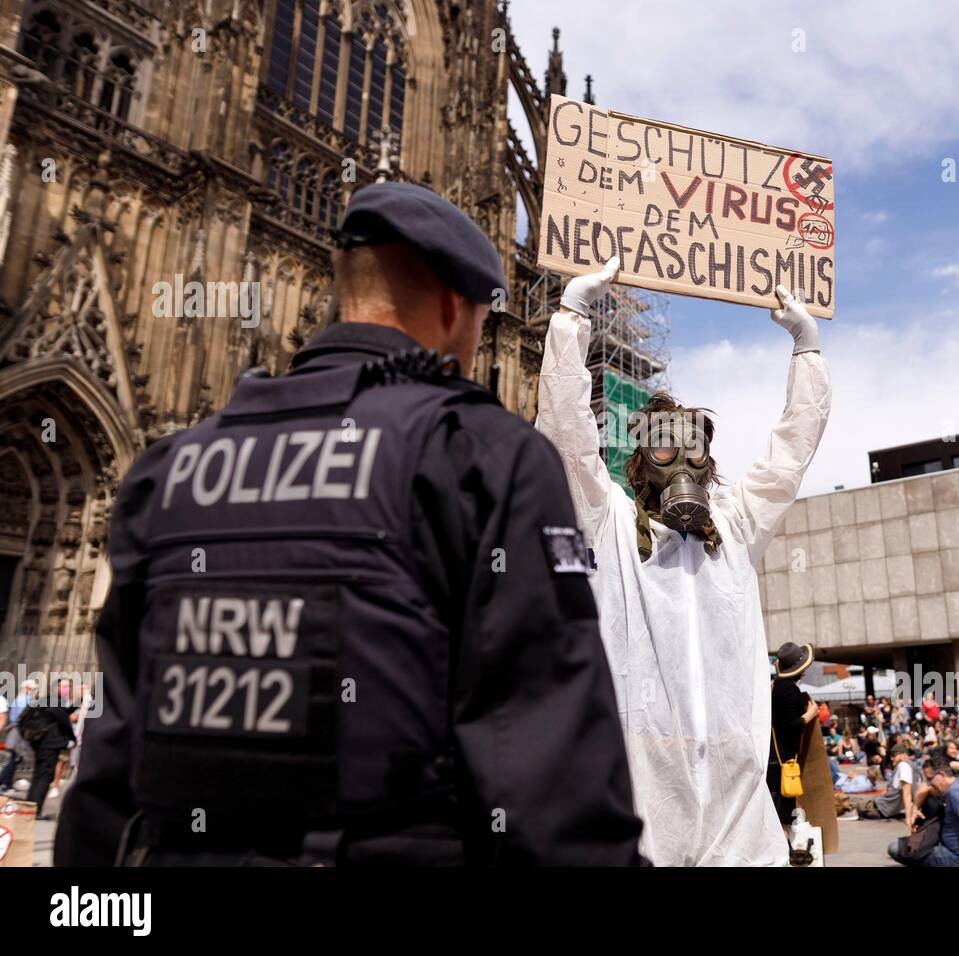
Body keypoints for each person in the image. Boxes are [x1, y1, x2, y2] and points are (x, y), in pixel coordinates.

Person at [55, 182, 643, 867]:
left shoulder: (166, 472)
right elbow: (549, 771)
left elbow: (106, 768)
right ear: (457, 306)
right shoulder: (482, 457)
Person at [536, 258, 831, 867]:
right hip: (645, 807)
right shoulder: (611, 522)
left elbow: (792, 450)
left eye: (692, 443)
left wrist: (808, 351)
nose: (681, 461)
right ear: (639, 463)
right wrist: (571, 318)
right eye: (664, 444)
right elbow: (567, 434)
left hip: (738, 813)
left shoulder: (736, 525)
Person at [888, 756, 959, 867]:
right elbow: (924, 789)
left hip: (957, 857)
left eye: (930, 779)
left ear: (942, 775)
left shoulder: (955, 793)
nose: (929, 784)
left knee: (895, 848)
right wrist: (915, 807)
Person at [769, 643, 819, 832]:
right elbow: (791, 726)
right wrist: (810, 714)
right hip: (784, 760)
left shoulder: (775, 687)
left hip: (774, 757)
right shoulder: (789, 690)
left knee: (780, 806)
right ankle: (786, 852)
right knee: (784, 809)